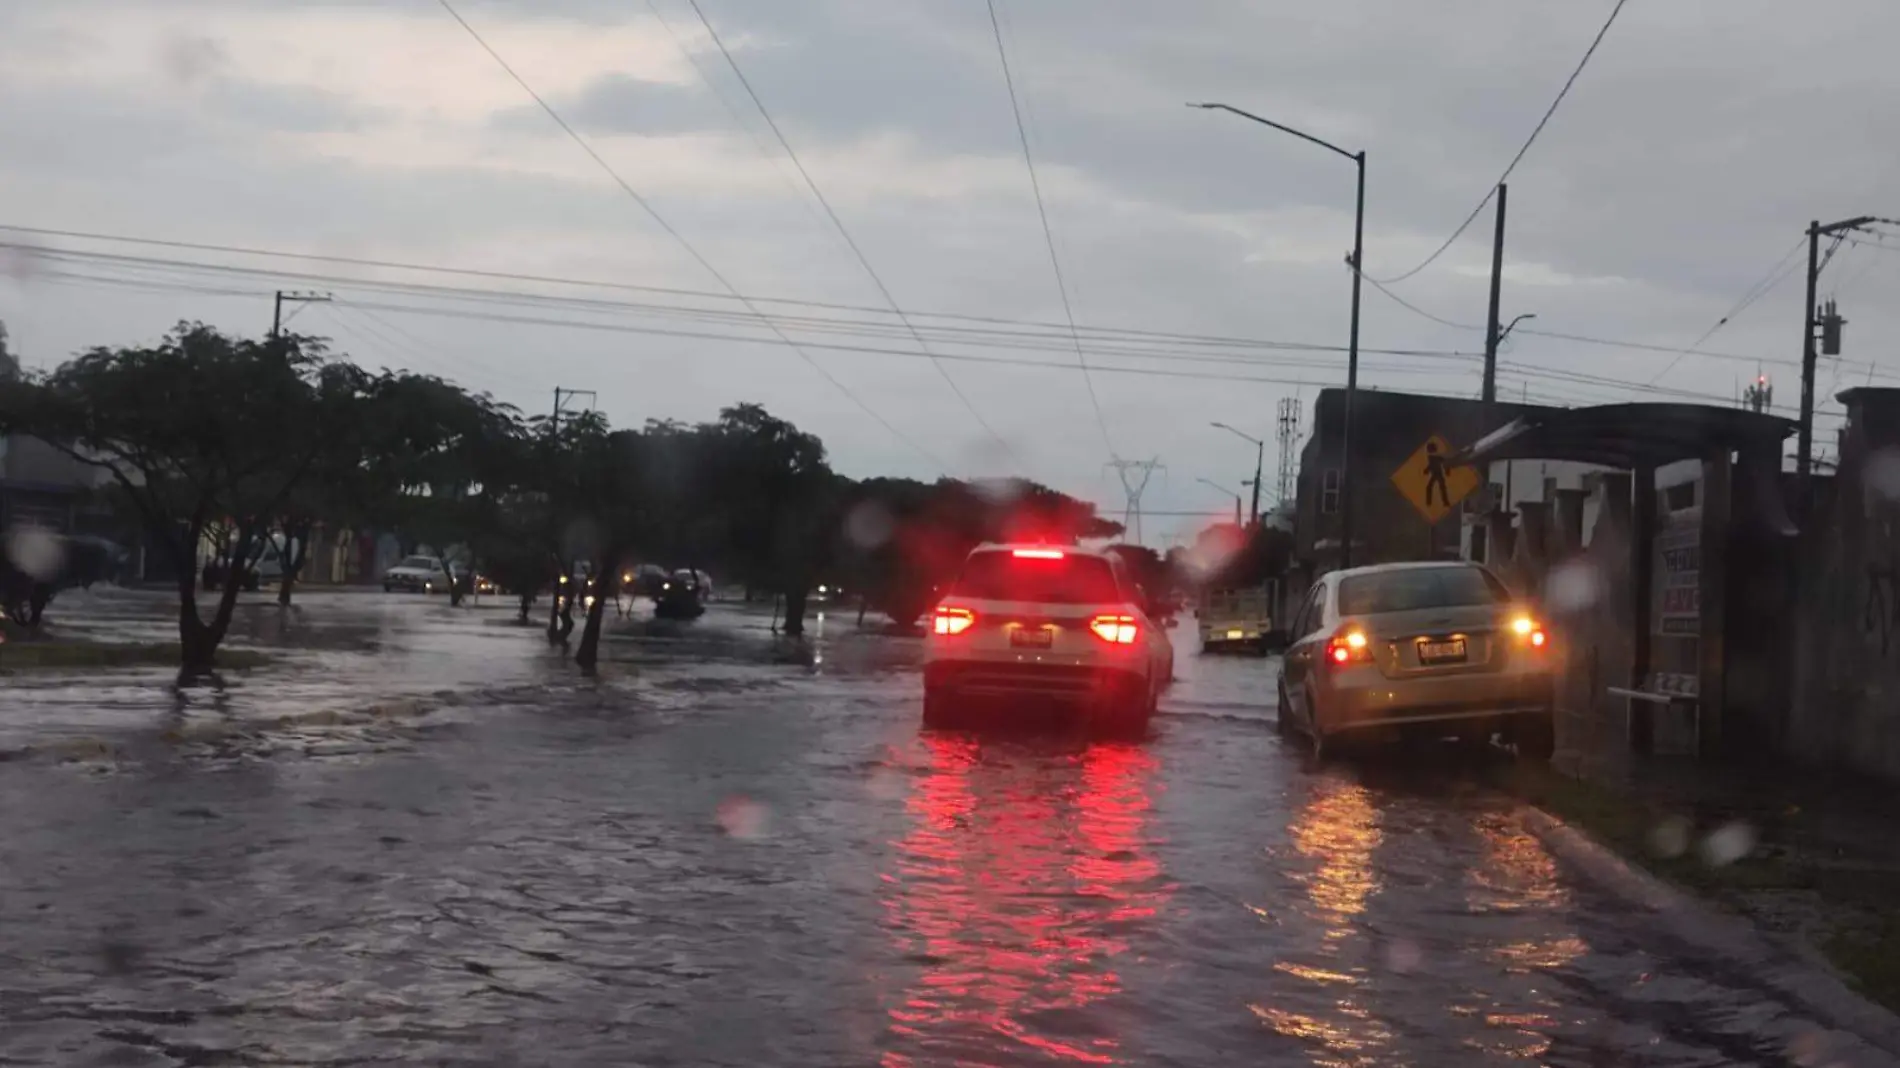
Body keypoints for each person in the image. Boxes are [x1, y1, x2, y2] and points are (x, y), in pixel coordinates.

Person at [1424, 441, 1451, 509]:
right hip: (1435, 474)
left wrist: (1447, 471)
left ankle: (1444, 502)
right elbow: (1432, 465)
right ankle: (1444, 502)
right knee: (1439, 487)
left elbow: (1433, 464)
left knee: (1440, 488)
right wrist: (1427, 470)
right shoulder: (1432, 457)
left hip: (1437, 474)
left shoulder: (1434, 457)